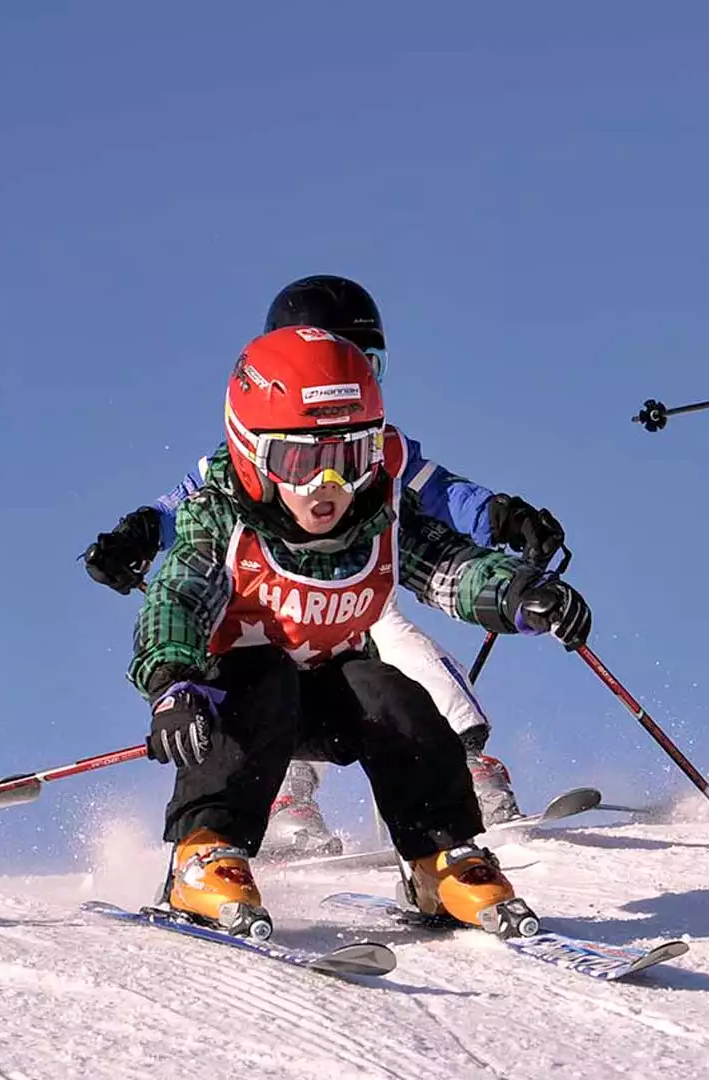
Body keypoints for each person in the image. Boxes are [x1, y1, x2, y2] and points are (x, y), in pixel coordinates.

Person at [129, 325, 594, 938]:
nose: (329, 489)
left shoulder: (379, 517)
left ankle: (439, 857)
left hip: (326, 693)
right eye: (301, 463)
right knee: (264, 675)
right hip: (232, 701)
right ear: (251, 455)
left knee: (393, 695)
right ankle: (204, 851)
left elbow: (453, 567)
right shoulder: (223, 520)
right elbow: (178, 596)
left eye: (348, 460)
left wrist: (519, 592)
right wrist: (171, 682)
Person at [84, 275, 567, 855]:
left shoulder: (379, 446)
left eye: (365, 361)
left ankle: (463, 768)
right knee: (262, 677)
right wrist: (136, 532)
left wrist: (503, 523)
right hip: (266, 603)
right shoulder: (256, 448)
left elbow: (439, 503)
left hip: (359, 588)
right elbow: (190, 513)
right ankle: (284, 797)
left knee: (392, 664)